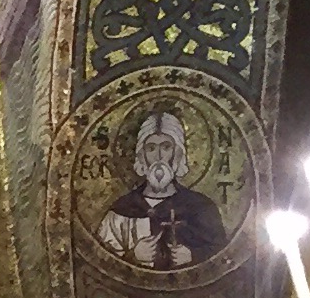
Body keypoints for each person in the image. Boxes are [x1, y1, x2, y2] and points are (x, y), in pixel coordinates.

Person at [95, 108, 226, 268]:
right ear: (141, 156)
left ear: (178, 154)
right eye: (151, 148)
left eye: (166, 147)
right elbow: (99, 264)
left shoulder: (201, 208)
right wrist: (132, 256)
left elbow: (224, 259)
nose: (158, 156)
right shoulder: (120, 212)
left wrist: (193, 256)